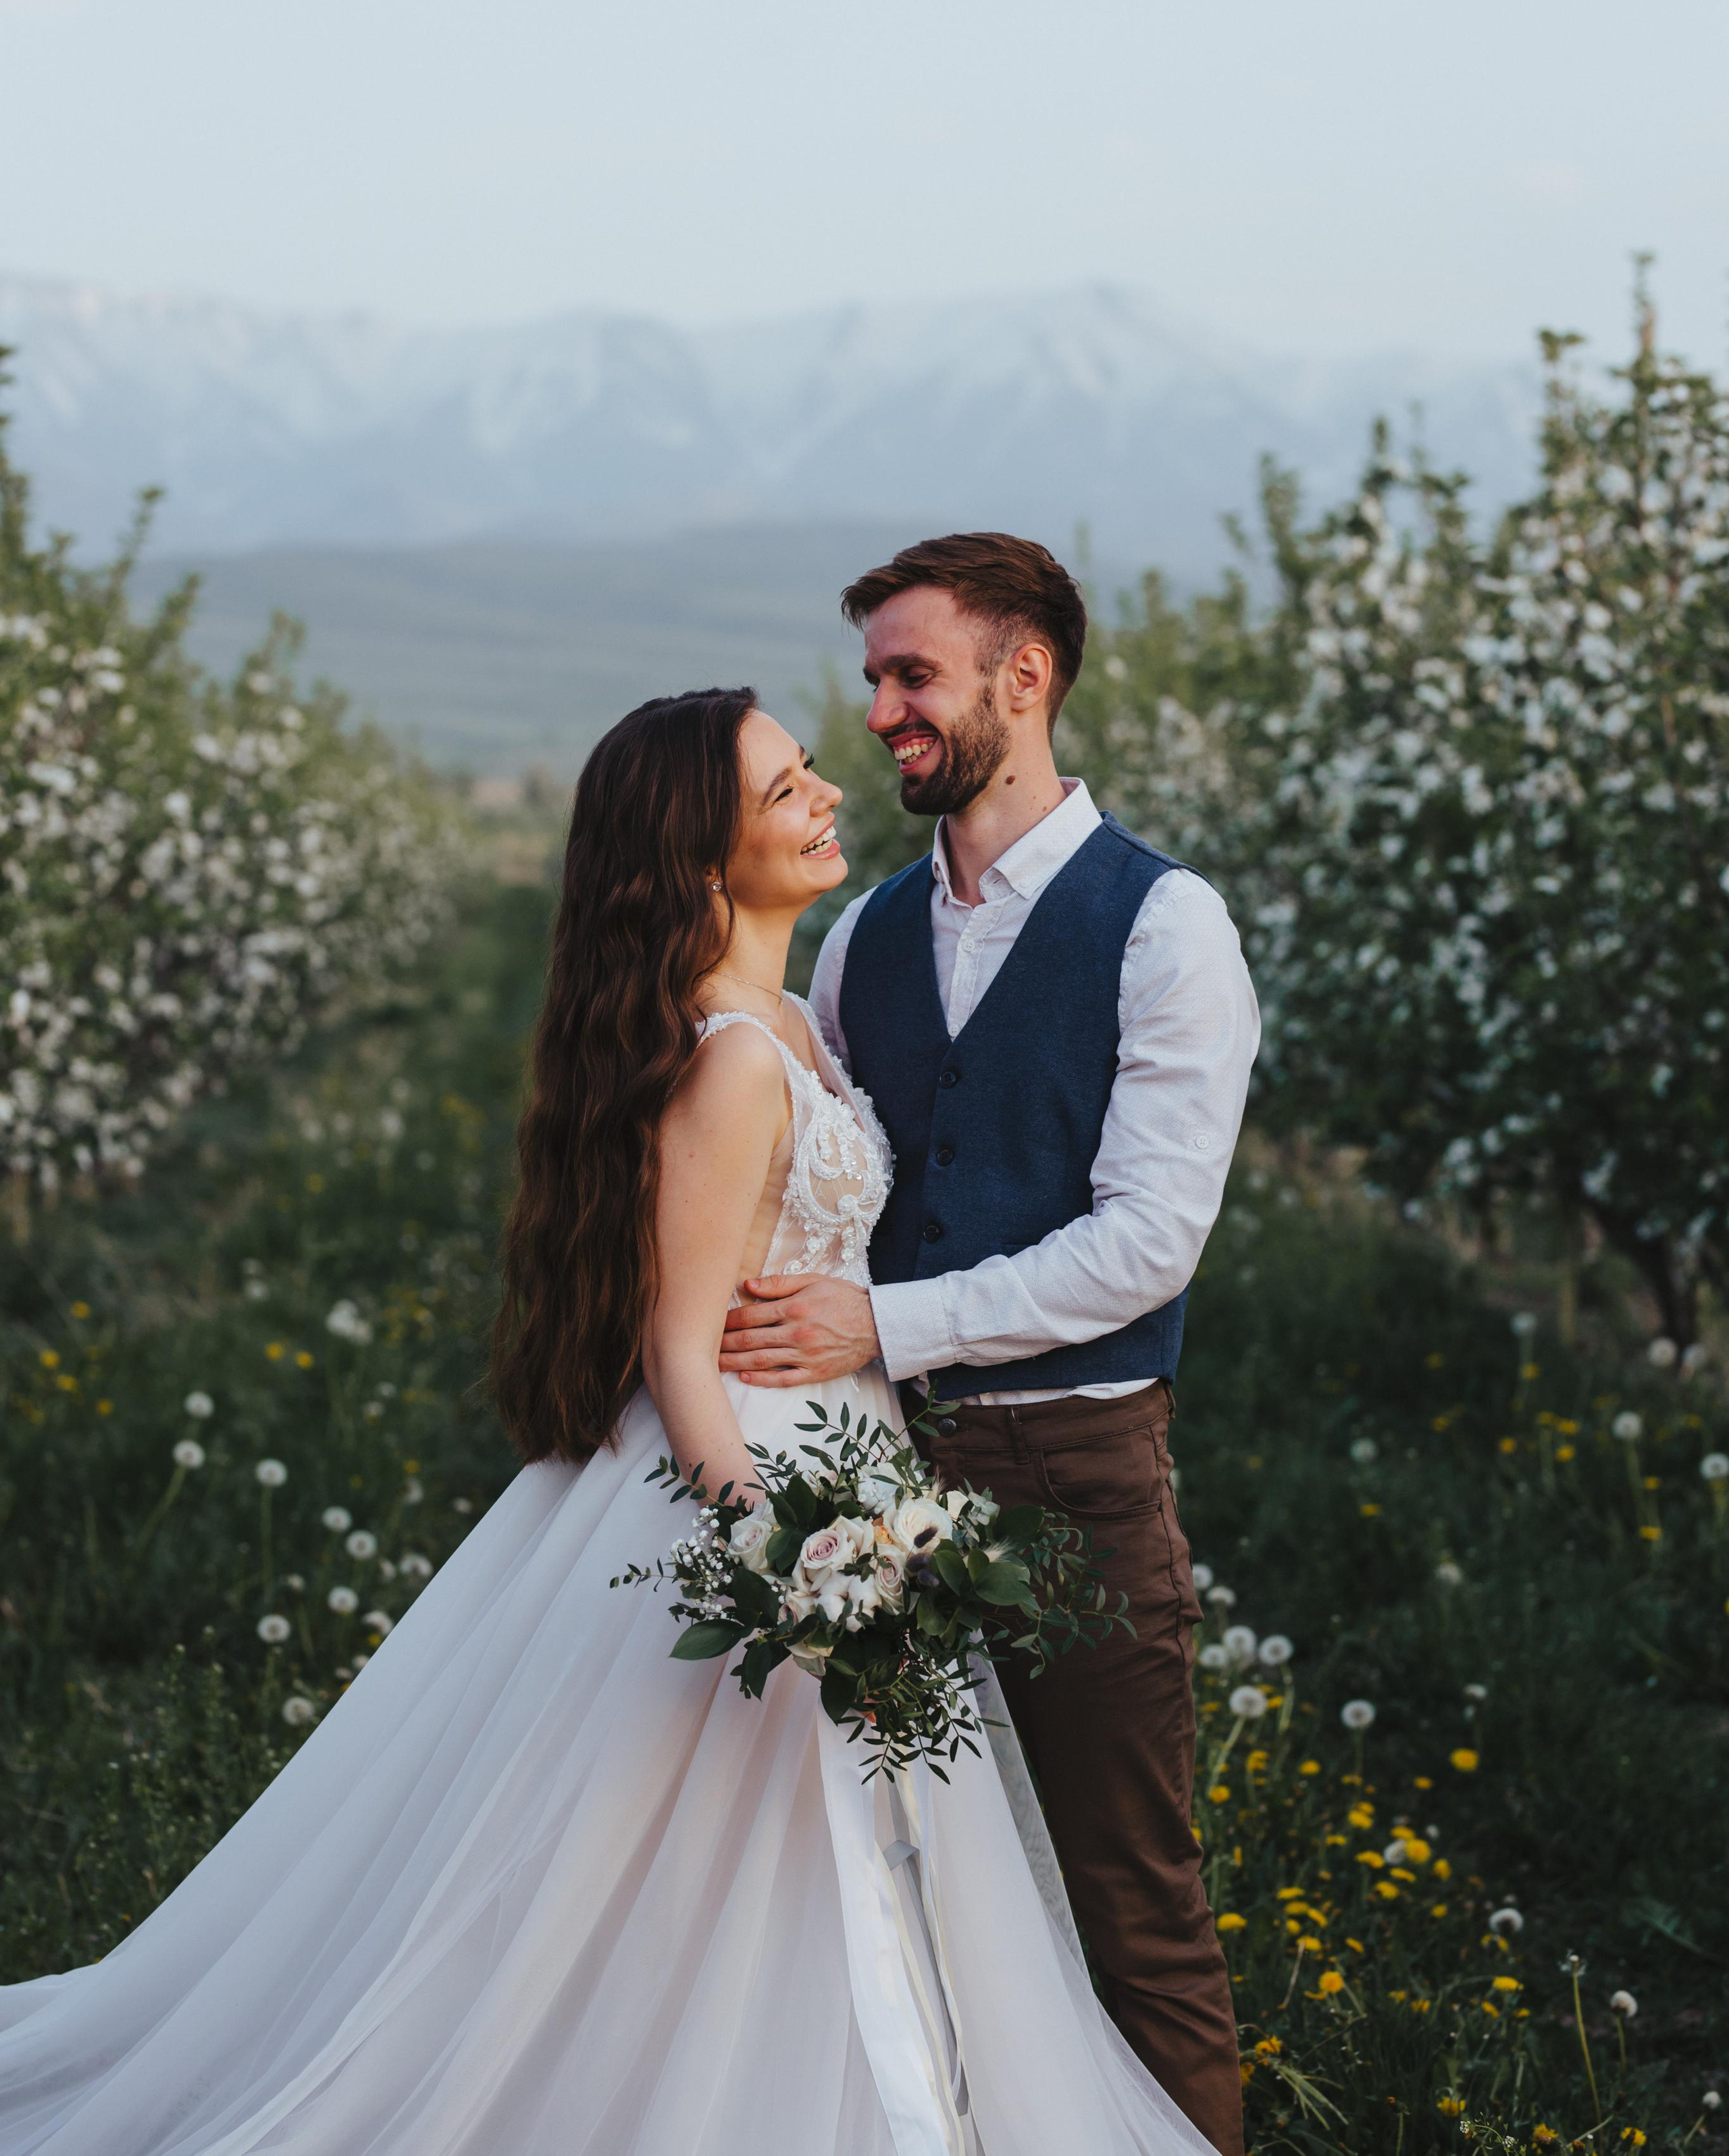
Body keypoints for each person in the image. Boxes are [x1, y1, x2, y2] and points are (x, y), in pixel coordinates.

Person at [0, 684, 1216, 2156]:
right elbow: (678, 1351)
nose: (826, 792)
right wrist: (783, 1563)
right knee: (694, 1860)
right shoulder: (727, 1061)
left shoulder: (793, 1009)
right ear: (705, 859)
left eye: (805, 774)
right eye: (782, 791)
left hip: (851, 1458)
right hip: (772, 1492)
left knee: (828, 1858)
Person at [718, 536, 1260, 2156]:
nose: (879, 710)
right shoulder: (861, 936)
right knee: (897, 1895)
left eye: (911, 676)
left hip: (1071, 1474)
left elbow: (1146, 1241)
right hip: (859, 1482)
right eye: (871, 678)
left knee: (1126, 1907)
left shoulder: (1166, 928)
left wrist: (891, 1321)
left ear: (1023, 677)